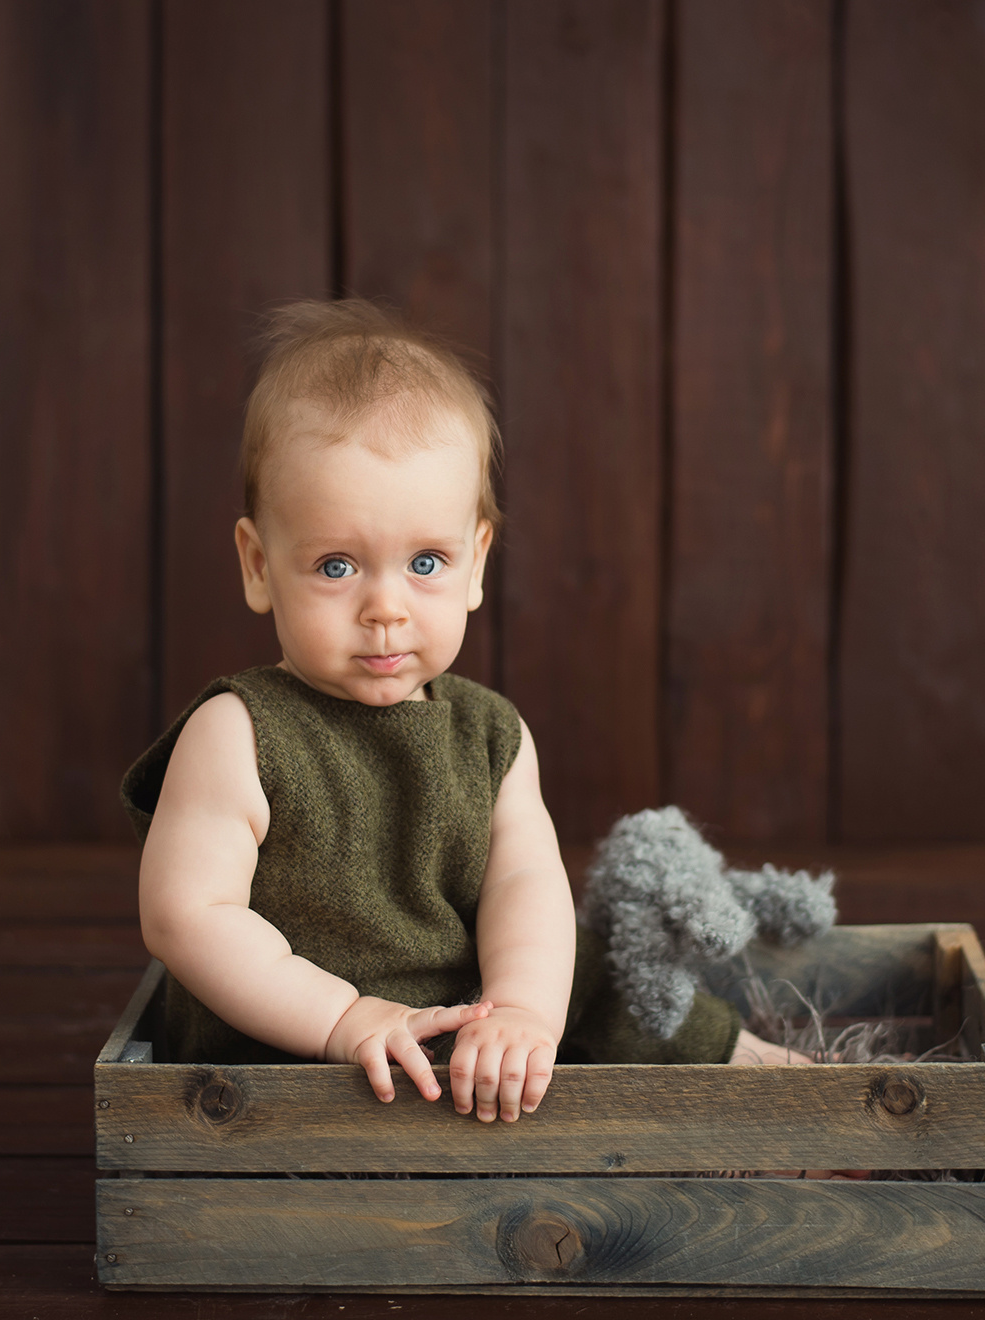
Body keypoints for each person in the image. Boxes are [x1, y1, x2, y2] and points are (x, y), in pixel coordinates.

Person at [120, 300, 806, 1129]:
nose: (385, 607)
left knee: (587, 966)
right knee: (255, 1026)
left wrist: (520, 1006)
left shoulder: (490, 735)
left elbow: (524, 881)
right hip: (292, 1037)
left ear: (477, 562)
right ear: (259, 565)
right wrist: (341, 1018)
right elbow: (187, 915)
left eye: (425, 562)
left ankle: (755, 1079)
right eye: (336, 565)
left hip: (460, 1009)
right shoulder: (237, 730)